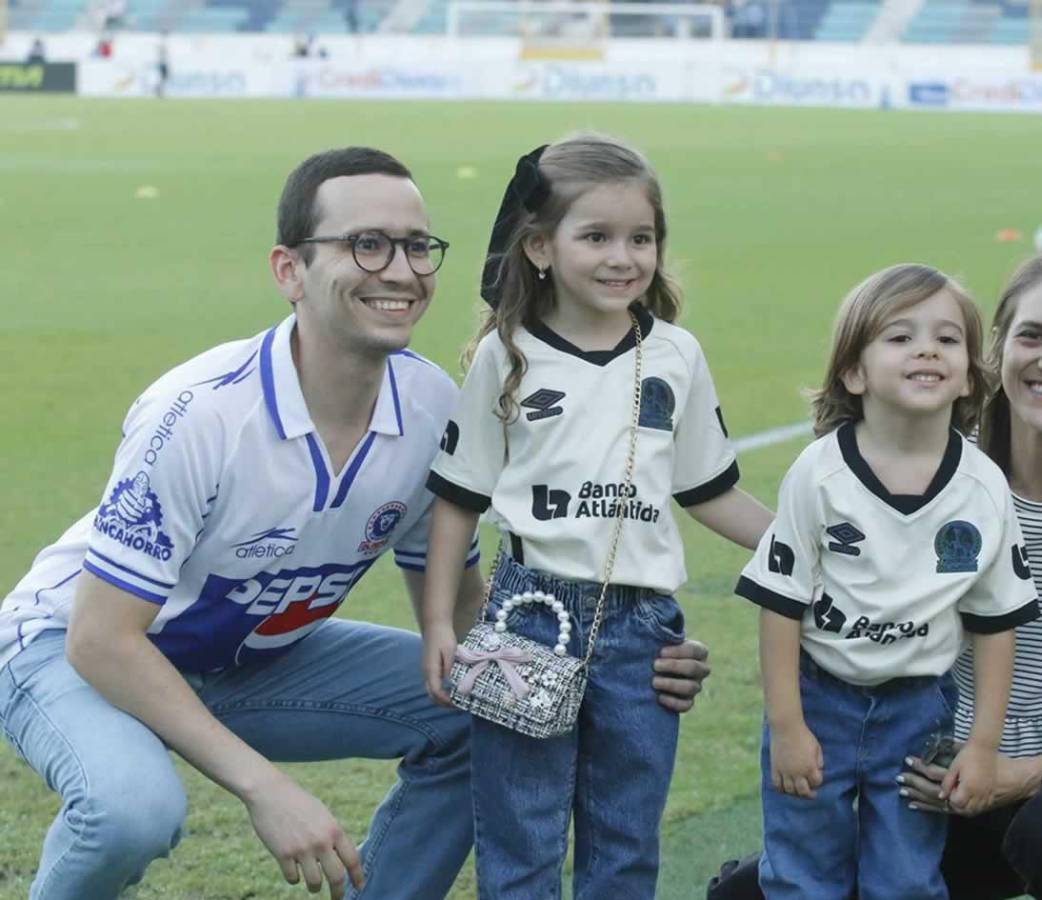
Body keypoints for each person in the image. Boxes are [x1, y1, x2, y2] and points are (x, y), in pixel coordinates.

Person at [0, 146, 712, 900]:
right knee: (130, 812)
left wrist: (630, 655)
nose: (400, 271)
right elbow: (100, 638)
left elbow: (471, 620)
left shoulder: (431, 407)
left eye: (415, 247)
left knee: (486, 710)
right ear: (289, 271)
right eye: (366, 245)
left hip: (249, 660)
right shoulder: (201, 413)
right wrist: (263, 787)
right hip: (73, 651)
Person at [708, 251, 1042, 900]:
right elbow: (818, 573)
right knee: (749, 894)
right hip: (939, 770)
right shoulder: (933, 461)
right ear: (994, 354)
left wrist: (1025, 771)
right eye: (1032, 336)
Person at [419, 134, 774, 900]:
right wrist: (442, 625)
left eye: (641, 238)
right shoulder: (505, 354)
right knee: (521, 838)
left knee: (624, 839)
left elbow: (707, 490)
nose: (624, 257)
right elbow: (457, 499)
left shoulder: (676, 355)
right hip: (529, 615)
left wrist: (801, 548)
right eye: (597, 237)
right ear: (541, 247)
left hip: (644, 630)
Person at [733, 264, 1039, 899]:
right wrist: (787, 726)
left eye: (947, 339)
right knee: (801, 873)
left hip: (918, 710)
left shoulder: (983, 489)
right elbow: (779, 606)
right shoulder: (818, 475)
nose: (926, 348)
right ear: (854, 371)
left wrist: (982, 745)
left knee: (903, 877)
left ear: (968, 375)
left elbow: (995, 624)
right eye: (900, 336)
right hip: (819, 700)